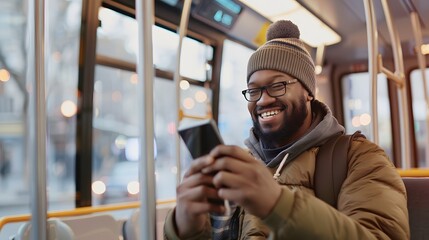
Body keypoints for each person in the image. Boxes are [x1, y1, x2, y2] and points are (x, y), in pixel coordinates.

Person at [163, 20, 409, 239]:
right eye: (254, 90)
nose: (262, 100)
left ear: (309, 92)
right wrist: (185, 227)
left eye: (278, 85)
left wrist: (278, 204)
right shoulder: (240, 164)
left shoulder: (360, 158)